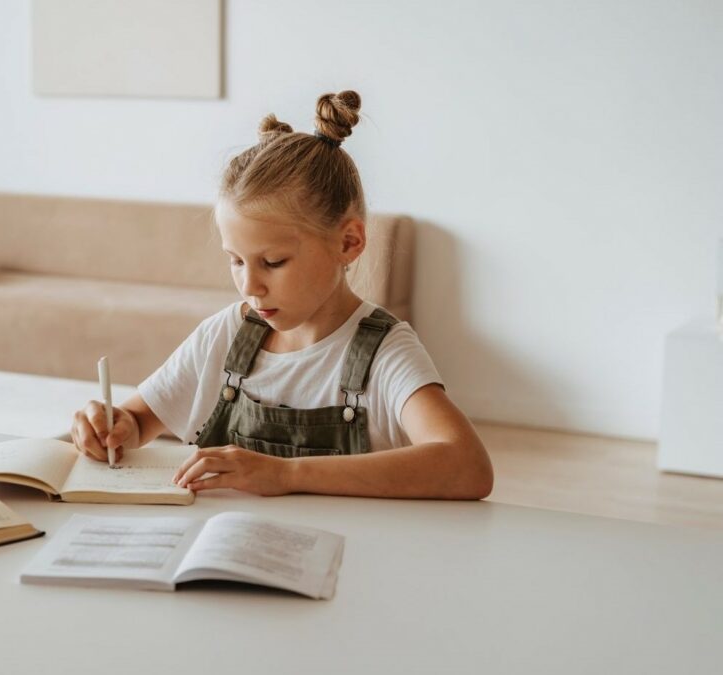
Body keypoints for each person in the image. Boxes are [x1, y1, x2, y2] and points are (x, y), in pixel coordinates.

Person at [71, 91, 493, 500]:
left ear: (348, 242)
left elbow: (467, 467)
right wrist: (116, 424)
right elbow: (141, 418)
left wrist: (286, 473)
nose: (249, 286)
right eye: (236, 261)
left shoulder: (385, 353)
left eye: (272, 262)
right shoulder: (227, 334)